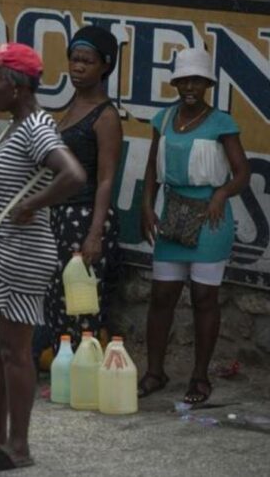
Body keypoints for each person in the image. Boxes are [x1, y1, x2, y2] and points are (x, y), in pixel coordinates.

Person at [0, 43, 85, 471]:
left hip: (21, 255)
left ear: (18, 85)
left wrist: (33, 205)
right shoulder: (16, 126)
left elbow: (74, 174)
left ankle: (19, 447)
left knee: (14, 352)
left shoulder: (36, 128)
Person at [138, 48, 250, 405]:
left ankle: (199, 377)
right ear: (175, 82)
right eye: (183, 80)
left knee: (204, 298)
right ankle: (155, 372)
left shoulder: (221, 123)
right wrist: (145, 206)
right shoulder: (164, 118)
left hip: (210, 217)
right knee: (162, 296)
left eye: (196, 80)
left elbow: (242, 173)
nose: (189, 86)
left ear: (207, 84)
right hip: (172, 213)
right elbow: (152, 168)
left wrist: (222, 194)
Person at [42, 26, 123, 351]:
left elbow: (106, 178)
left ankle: (82, 367)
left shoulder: (105, 116)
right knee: (57, 295)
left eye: (87, 61)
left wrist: (94, 234)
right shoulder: (70, 108)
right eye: (74, 59)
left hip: (86, 216)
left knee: (81, 299)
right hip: (60, 215)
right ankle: (64, 364)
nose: (78, 67)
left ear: (105, 65)